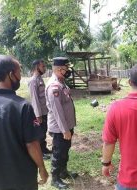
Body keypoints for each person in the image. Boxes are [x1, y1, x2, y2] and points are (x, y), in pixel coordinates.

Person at [0, 55, 48, 190]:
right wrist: (42, 168)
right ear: (11, 75)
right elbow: (32, 144)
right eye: (19, 71)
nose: (20, 75)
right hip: (22, 177)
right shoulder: (23, 106)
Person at [45, 57, 78, 189]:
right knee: (58, 153)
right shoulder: (54, 86)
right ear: (59, 69)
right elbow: (57, 111)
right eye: (66, 69)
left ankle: (63, 172)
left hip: (66, 126)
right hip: (60, 128)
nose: (68, 71)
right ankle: (55, 178)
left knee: (65, 150)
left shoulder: (61, 82)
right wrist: (65, 130)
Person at [28, 59, 52, 160]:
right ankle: (40, 153)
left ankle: (44, 148)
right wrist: (38, 115)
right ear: (36, 67)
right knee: (39, 133)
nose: (44, 68)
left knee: (44, 131)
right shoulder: (33, 81)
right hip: (39, 113)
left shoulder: (39, 79)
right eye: (43, 66)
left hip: (44, 111)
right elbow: (35, 99)